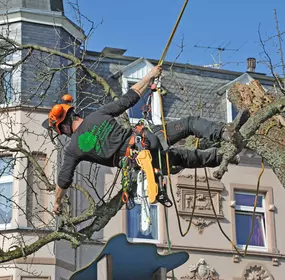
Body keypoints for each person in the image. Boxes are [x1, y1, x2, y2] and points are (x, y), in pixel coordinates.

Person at [49, 65, 248, 215]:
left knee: (183, 158)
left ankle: (222, 157)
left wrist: (57, 202)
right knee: (188, 124)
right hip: (147, 141)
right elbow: (130, 97)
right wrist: (149, 76)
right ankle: (223, 132)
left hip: (141, 164)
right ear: (72, 113)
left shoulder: (73, 149)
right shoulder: (97, 115)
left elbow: (64, 180)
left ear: (63, 127)